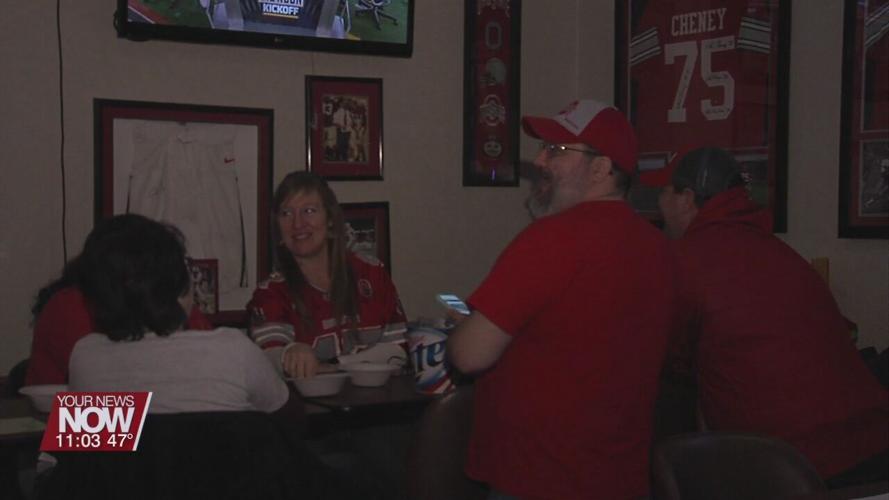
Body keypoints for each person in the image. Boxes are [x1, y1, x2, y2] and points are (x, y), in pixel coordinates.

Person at [447, 99, 677, 500]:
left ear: (602, 169)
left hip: (540, 478)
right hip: (622, 477)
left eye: (558, 150)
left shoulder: (551, 239)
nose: (540, 160)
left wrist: (458, 329)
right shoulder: (660, 248)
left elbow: (469, 354)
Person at [640, 146, 889, 487]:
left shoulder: (685, 262)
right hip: (872, 447)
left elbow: (665, 359)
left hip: (797, 468)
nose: (659, 205)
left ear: (686, 199)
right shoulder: (777, 251)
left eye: (664, 192)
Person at [63, 214, 289, 414]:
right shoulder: (233, 351)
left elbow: (92, 451)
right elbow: (288, 418)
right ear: (181, 286)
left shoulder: (86, 358)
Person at [248, 171, 407, 379]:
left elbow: (399, 350)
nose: (297, 224)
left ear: (331, 220)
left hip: (379, 405)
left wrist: (339, 366)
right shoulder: (271, 293)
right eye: (286, 213)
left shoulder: (372, 274)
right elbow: (270, 357)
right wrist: (290, 353)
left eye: (309, 211)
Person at [25, 217, 213, 386]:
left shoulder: (158, 299)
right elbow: (113, 380)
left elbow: (206, 358)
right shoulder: (70, 307)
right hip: (71, 416)